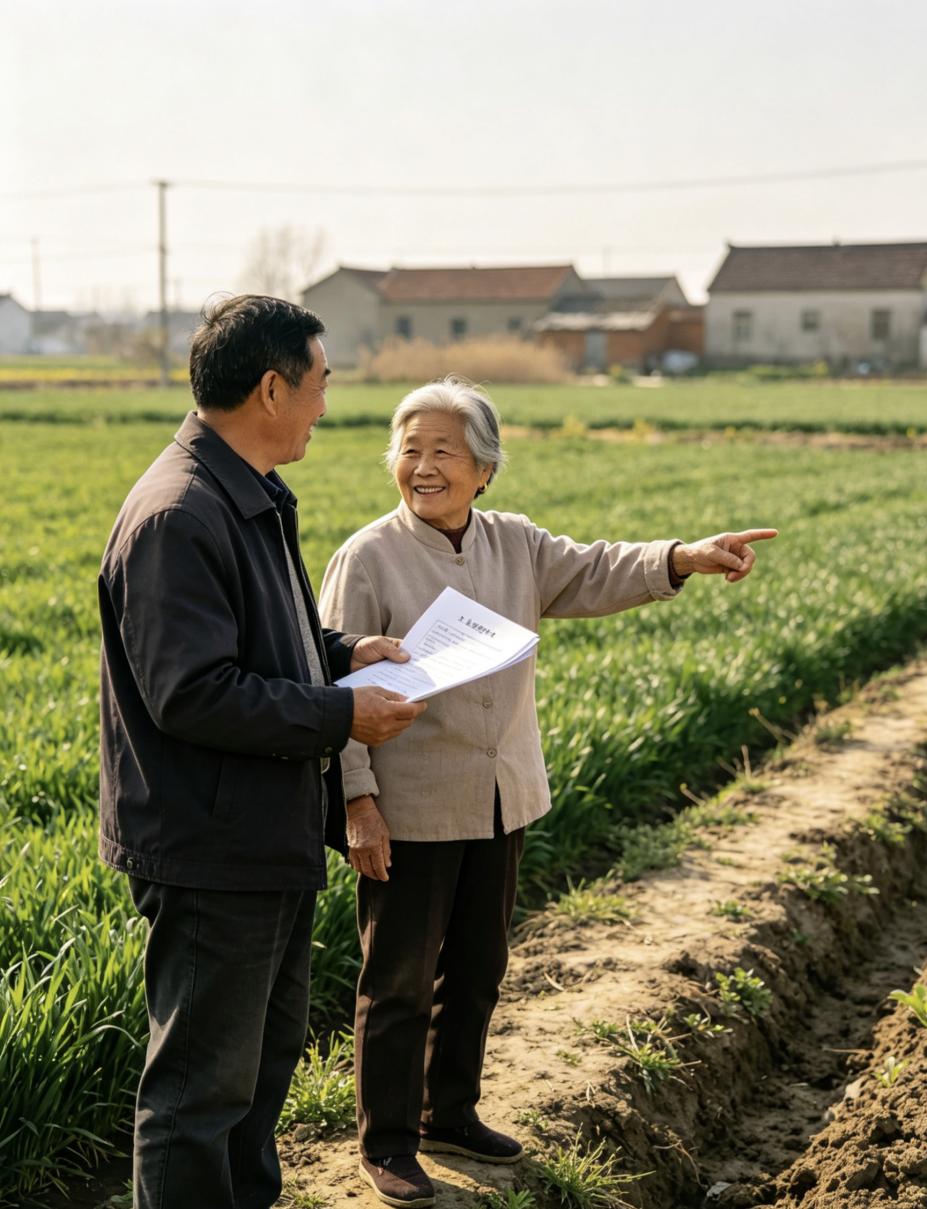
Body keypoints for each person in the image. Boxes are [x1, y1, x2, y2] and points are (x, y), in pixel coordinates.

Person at [319, 377, 777, 1208]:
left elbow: (599, 568)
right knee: (398, 979)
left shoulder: (515, 545)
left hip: (498, 796)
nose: (422, 466)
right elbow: (336, 693)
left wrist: (685, 556)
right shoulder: (369, 556)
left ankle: (449, 1111)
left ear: (484, 468)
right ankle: (386, 1142)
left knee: (481, 966)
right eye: (409, 449)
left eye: (442, 451)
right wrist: (358, 801)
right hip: (412, 804)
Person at [98, 295, 426, 1209]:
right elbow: (193, 692)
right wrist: (339, 714)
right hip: (211, 848)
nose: (327, 404)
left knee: (259, 1067)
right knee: (199, 1092)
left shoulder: (245, 493)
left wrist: (341, 654)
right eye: (320, 384)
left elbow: (262, 643)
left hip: (261, 838)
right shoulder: (180, 515)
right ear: (272, 388)